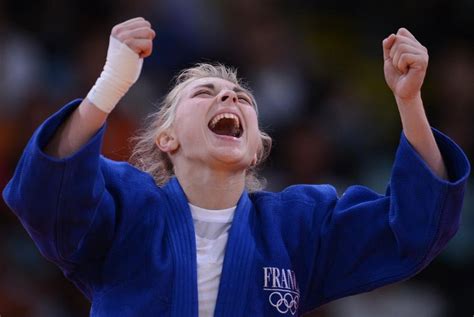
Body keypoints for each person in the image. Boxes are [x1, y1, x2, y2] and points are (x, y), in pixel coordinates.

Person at [2, 17, 470, 317]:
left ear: (256, 149)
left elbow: (413, 226)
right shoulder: (125, 205)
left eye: (243, 98)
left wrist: (409, 102)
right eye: (204, 93)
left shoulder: (298, 227)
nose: (229, 96)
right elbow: (47, 194)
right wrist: (108, 87)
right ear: (167, 138)